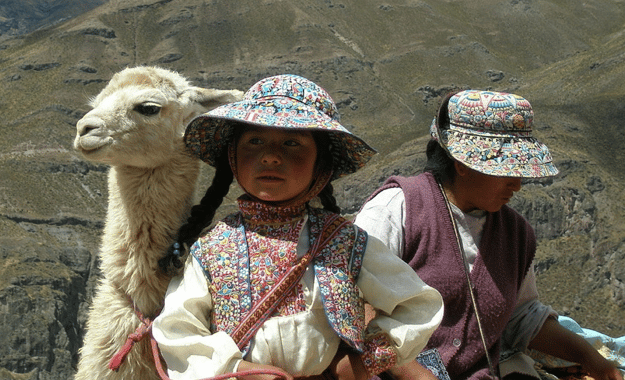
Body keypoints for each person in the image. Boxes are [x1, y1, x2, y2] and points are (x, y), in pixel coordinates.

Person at [152, 74, 444, 380]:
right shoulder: (213, 249)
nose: (270, 157)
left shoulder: (344, 241)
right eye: (254, 141)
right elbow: (176, 330)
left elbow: (418, 304)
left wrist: (365, 360)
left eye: (292, 142)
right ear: (233, 155)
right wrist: (238, 370)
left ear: (322, 162)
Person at [354, 90, 624, 380]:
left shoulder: (516, 234)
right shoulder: (395, 210)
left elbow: (522, 316)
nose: (517, 184)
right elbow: (358, 309)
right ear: (462, 165)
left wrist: (593, 361)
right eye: (507, 170)